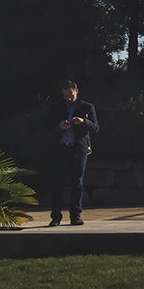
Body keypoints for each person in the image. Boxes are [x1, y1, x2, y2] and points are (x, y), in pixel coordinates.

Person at [43, 80, 99, 226]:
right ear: (62, 93)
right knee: (57, 184)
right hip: (60, 150)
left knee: (77, 184)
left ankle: (75, 215)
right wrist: (59, 127)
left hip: (78, 150)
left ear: (76, 91)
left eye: (71, 96)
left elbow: (95, 127)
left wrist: (83, 122)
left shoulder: (87, 107)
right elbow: (47, 128)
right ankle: (55, 217)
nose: (68, 98)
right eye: (66, 96)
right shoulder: (56, 108)